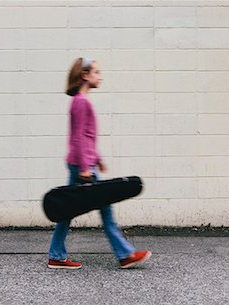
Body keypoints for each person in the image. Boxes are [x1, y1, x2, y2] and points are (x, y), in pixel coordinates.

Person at [47, 57, 151, 269]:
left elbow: (86, 137)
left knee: (68, 210)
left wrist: (97, 160)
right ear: (85, 75)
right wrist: (86, 166)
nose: (100, 76)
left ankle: (56, 255)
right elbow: (78, 138)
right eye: (96, 72)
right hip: (82, 166)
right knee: (105, 210)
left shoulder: (80, 101)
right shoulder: (81, 102)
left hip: (83, 163)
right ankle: (125, 254)